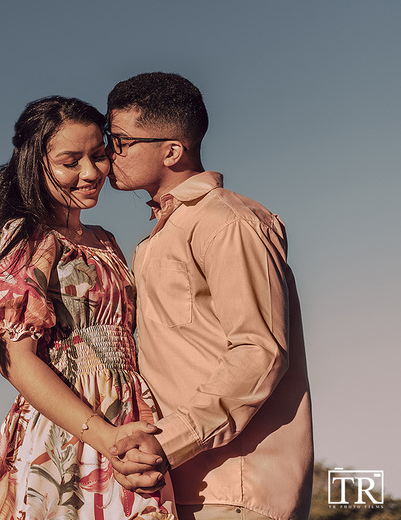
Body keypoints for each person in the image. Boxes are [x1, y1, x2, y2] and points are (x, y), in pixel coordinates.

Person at [0, 96, 175, 520]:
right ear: (35, 164)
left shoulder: (106, 241)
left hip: (130, 420)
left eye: (99, 156)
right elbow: (16, 362)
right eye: (71, 161)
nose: (90, 173)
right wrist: (105, 438)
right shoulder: (24, 238)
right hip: (72, 431)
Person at [104, 73, 313, 520]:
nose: (108, 153)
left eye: (120, 141)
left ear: (173, 150)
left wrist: (169, 441)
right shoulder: (157, 239)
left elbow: (260, 353)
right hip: (177, 486)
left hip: (236, 489)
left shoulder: (228, 222)